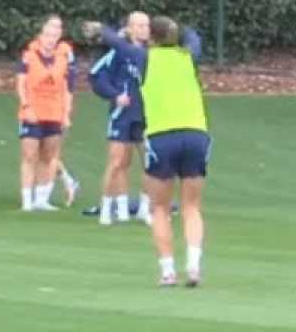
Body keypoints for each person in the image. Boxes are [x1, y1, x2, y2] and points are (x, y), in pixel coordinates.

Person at [87, 17, 207, 285]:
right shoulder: (188, 56)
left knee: (160, 208)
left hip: (163, 135)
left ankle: (167, 271)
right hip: (196, 133)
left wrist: (100, 30)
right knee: (191, 206)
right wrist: (180, 29)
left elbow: (117, 43)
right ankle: (194, 266)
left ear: (151, 38)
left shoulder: (145, 58)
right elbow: (193, 35)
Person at [89, 11, 152, 226]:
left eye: (147, 25)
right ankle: (109, 208)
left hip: (146, 115)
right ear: (130, 28)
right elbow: (96, 75)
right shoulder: (118, 52)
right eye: (140, 25)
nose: (145, 29)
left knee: (150, 163)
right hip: (122, 114)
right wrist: (115, 95)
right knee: (117, 162)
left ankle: (144, 209)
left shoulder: (151, 54)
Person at [17, 15, 77, 212]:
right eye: (47, 35)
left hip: (54, 112)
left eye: (54, 35)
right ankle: (27, 200)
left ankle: (42, 199)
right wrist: (26, 105)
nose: (51, 39)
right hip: (33, 112)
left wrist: (66, 113)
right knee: (29, 155)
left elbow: (67, 88)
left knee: (48, 156)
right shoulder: (29, 55)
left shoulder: (63, 57)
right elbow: (21, 83)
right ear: (40, 36)